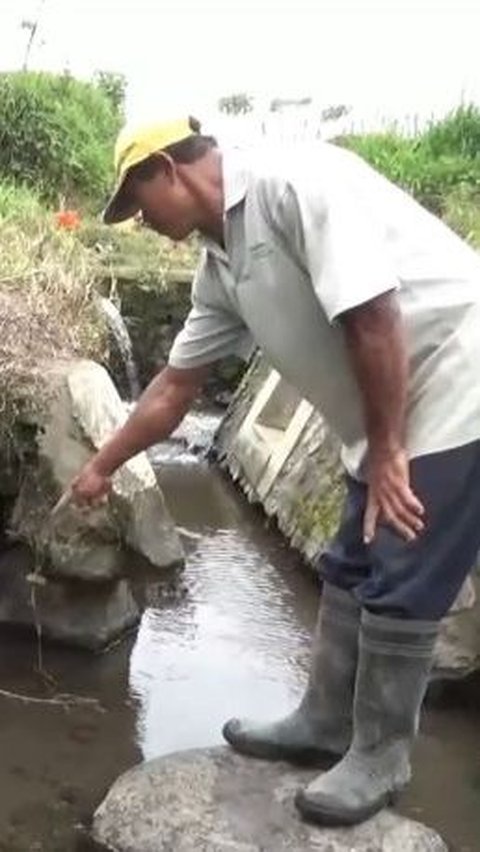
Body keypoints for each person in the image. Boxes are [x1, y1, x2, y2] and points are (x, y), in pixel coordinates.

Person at [70, 115, 480, 827]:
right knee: (351, 559)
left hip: (457, 379)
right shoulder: (218, 264)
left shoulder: (294, 182)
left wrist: (387, 451)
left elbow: (374, 314)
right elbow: (172, 389)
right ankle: (325, 721)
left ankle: (382, 755)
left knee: (403, 564)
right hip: (390, 404)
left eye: (140, 204)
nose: (141, 222)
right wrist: (102, 466)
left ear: (168, 168)